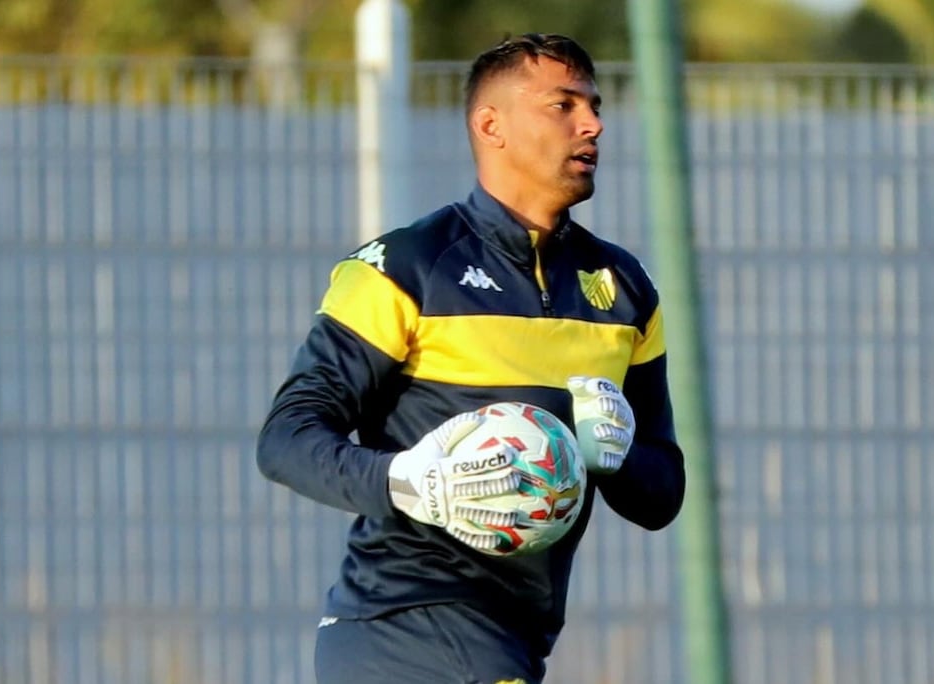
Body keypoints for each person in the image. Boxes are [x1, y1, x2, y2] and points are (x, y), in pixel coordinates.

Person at [257, 33, 686, 684]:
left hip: (515, 637)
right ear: (492, 126)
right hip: (402, 628)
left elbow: (663, 495)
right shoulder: (404, 269)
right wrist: (408, 480)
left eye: (593, 105)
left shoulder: (624, 289)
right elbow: (286, 440)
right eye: (563, 105)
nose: (593, 123)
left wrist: (619, 459)